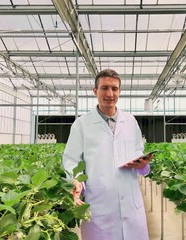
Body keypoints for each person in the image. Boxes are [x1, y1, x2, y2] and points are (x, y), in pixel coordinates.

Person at [62, 69, 153, 240]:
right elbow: (71, 159)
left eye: (114, 89)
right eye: (104, 88)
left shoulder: (130, 121)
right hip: (99, 204)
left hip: (131, 203)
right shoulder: (82, 124)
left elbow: (138, 152)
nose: (110, 94)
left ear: (119, 91)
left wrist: (143, 165)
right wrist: (75, 180)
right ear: (95, 91)